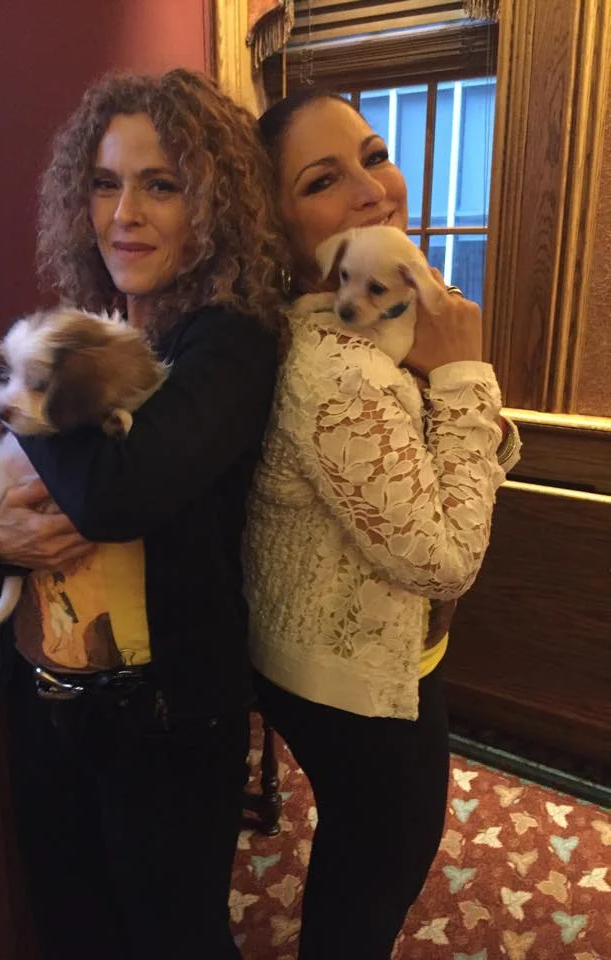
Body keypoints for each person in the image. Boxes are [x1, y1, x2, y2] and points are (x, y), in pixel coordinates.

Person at [0, 69, 285, 960]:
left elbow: (113, 495)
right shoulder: (84, 330)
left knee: (173, 937)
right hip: (42, 693)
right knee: (72, 925)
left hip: (163, 720)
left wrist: (33, 390)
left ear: (212, 205)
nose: (124, 214)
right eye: (105, 183)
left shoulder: (227, 341)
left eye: (160, 185)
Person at [244, 90, 521, 959]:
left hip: (353, 649)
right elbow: (445, 562)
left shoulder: (377, 327)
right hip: (352, 677)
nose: (373, 189)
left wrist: (449, 377)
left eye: (374, 154)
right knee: (380, 863)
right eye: (323, 180)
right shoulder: (339, 369)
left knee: (367, 849)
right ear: (275, 228)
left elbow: (455, 464)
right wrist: (466, 373)